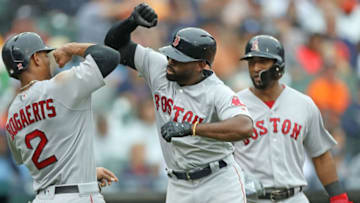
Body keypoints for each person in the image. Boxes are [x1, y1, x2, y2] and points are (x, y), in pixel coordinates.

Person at [104, 3, 253, 203]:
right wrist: (130, 23)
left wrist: (192, 128)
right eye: (171, 54)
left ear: (202, 64)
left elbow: (244, 126)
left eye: (179, 59)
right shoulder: (159, 67)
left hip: (218, 181)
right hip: (178, 184)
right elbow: (115, 45)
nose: (171, 61)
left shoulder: (218, 91)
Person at [2, 32, 120, 203]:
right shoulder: (59, 87)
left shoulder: (12, 112)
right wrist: (70, 47)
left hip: (43, 197)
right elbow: (110, 57)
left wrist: (86, 172)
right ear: (35, 58)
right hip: (78, 197)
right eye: (45, 54)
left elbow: (33, 158)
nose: (49, 58)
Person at [233, 35, 352, 203]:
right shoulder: (234, 105)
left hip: (293, 197)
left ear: (278, 65)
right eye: (251, 62)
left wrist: (338, 196)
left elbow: (321, 156)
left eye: (262, 61)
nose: (255, 68)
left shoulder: (303, 104)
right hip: (250, 198)